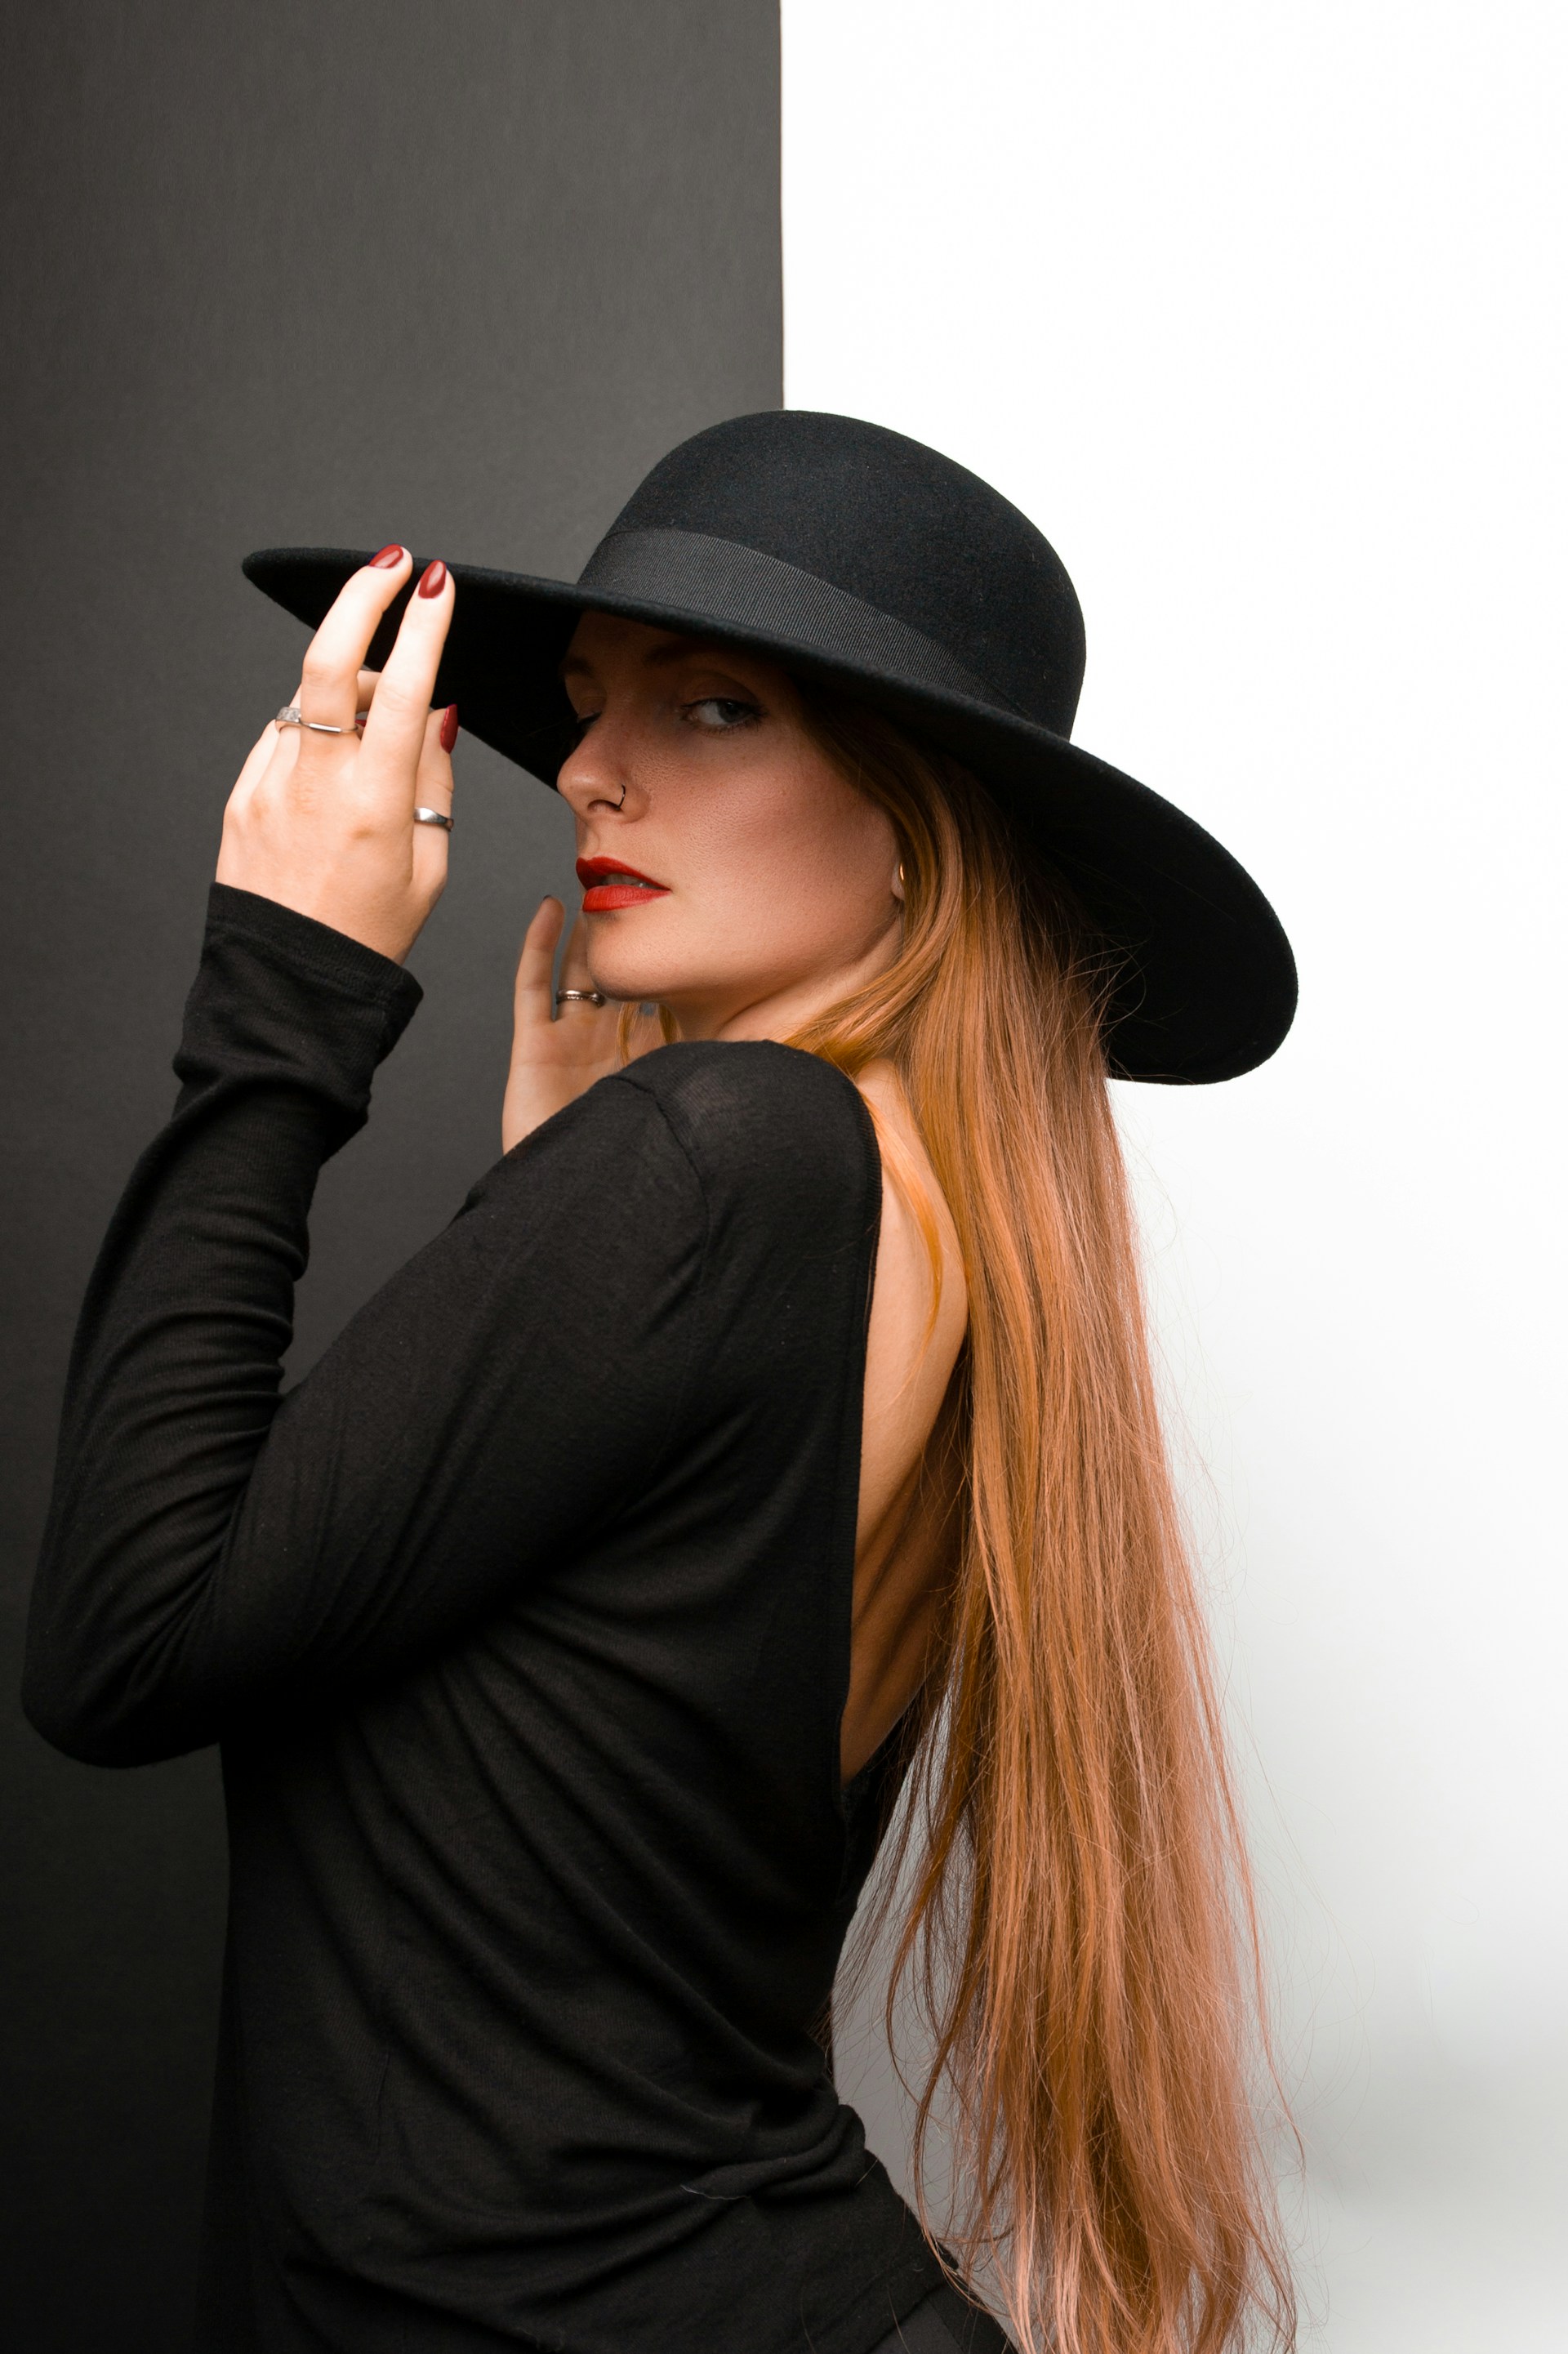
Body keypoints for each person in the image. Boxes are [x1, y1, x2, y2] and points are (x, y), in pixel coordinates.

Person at [24, 412, 1298, 2354]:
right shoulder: (921, 1222)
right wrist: (542, 1218)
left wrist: (282, 988)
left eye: (709, 711)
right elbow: (600, 1855)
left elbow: (124, 1635)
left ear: (916, 821)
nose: (593, 770)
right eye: (598, 704)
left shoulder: (729, 1154)